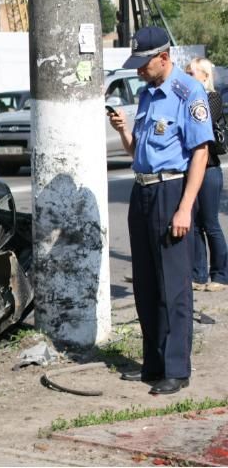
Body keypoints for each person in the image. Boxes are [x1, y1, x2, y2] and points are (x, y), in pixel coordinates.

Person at [107, 26, 213, 395]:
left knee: (174, 286)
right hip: (143, 191)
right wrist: (123, 131)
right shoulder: (148, 94)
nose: (137, 69)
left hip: (172, 191)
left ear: (164, 58)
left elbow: (200, 152)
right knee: (146, 284)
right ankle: (152, 362)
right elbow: (140, 150)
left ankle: (176, 368)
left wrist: (185, 208)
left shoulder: (188, 92)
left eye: (143, 62)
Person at [185, 57, 228, 292]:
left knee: (210, 223)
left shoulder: (212, 98)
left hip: (209, 168)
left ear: (204, 76)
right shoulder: (190, 98)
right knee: (195, 224)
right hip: (192, 168)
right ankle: (198, 274)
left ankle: (221, 275)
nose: (187, 77)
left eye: (191, 73)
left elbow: (201, 122)